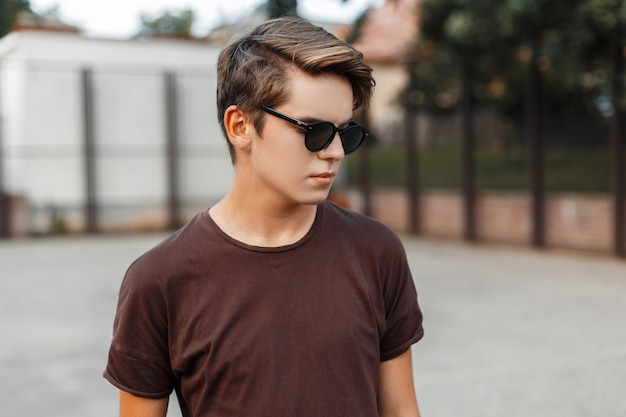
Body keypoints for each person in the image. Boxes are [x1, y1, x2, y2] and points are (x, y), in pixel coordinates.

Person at [104, 16, 424, 417]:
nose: (335, 152)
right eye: (314, 130)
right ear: (240, 126)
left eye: (345, 132)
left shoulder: (376, 251)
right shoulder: (159, 280)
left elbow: (401, 410)